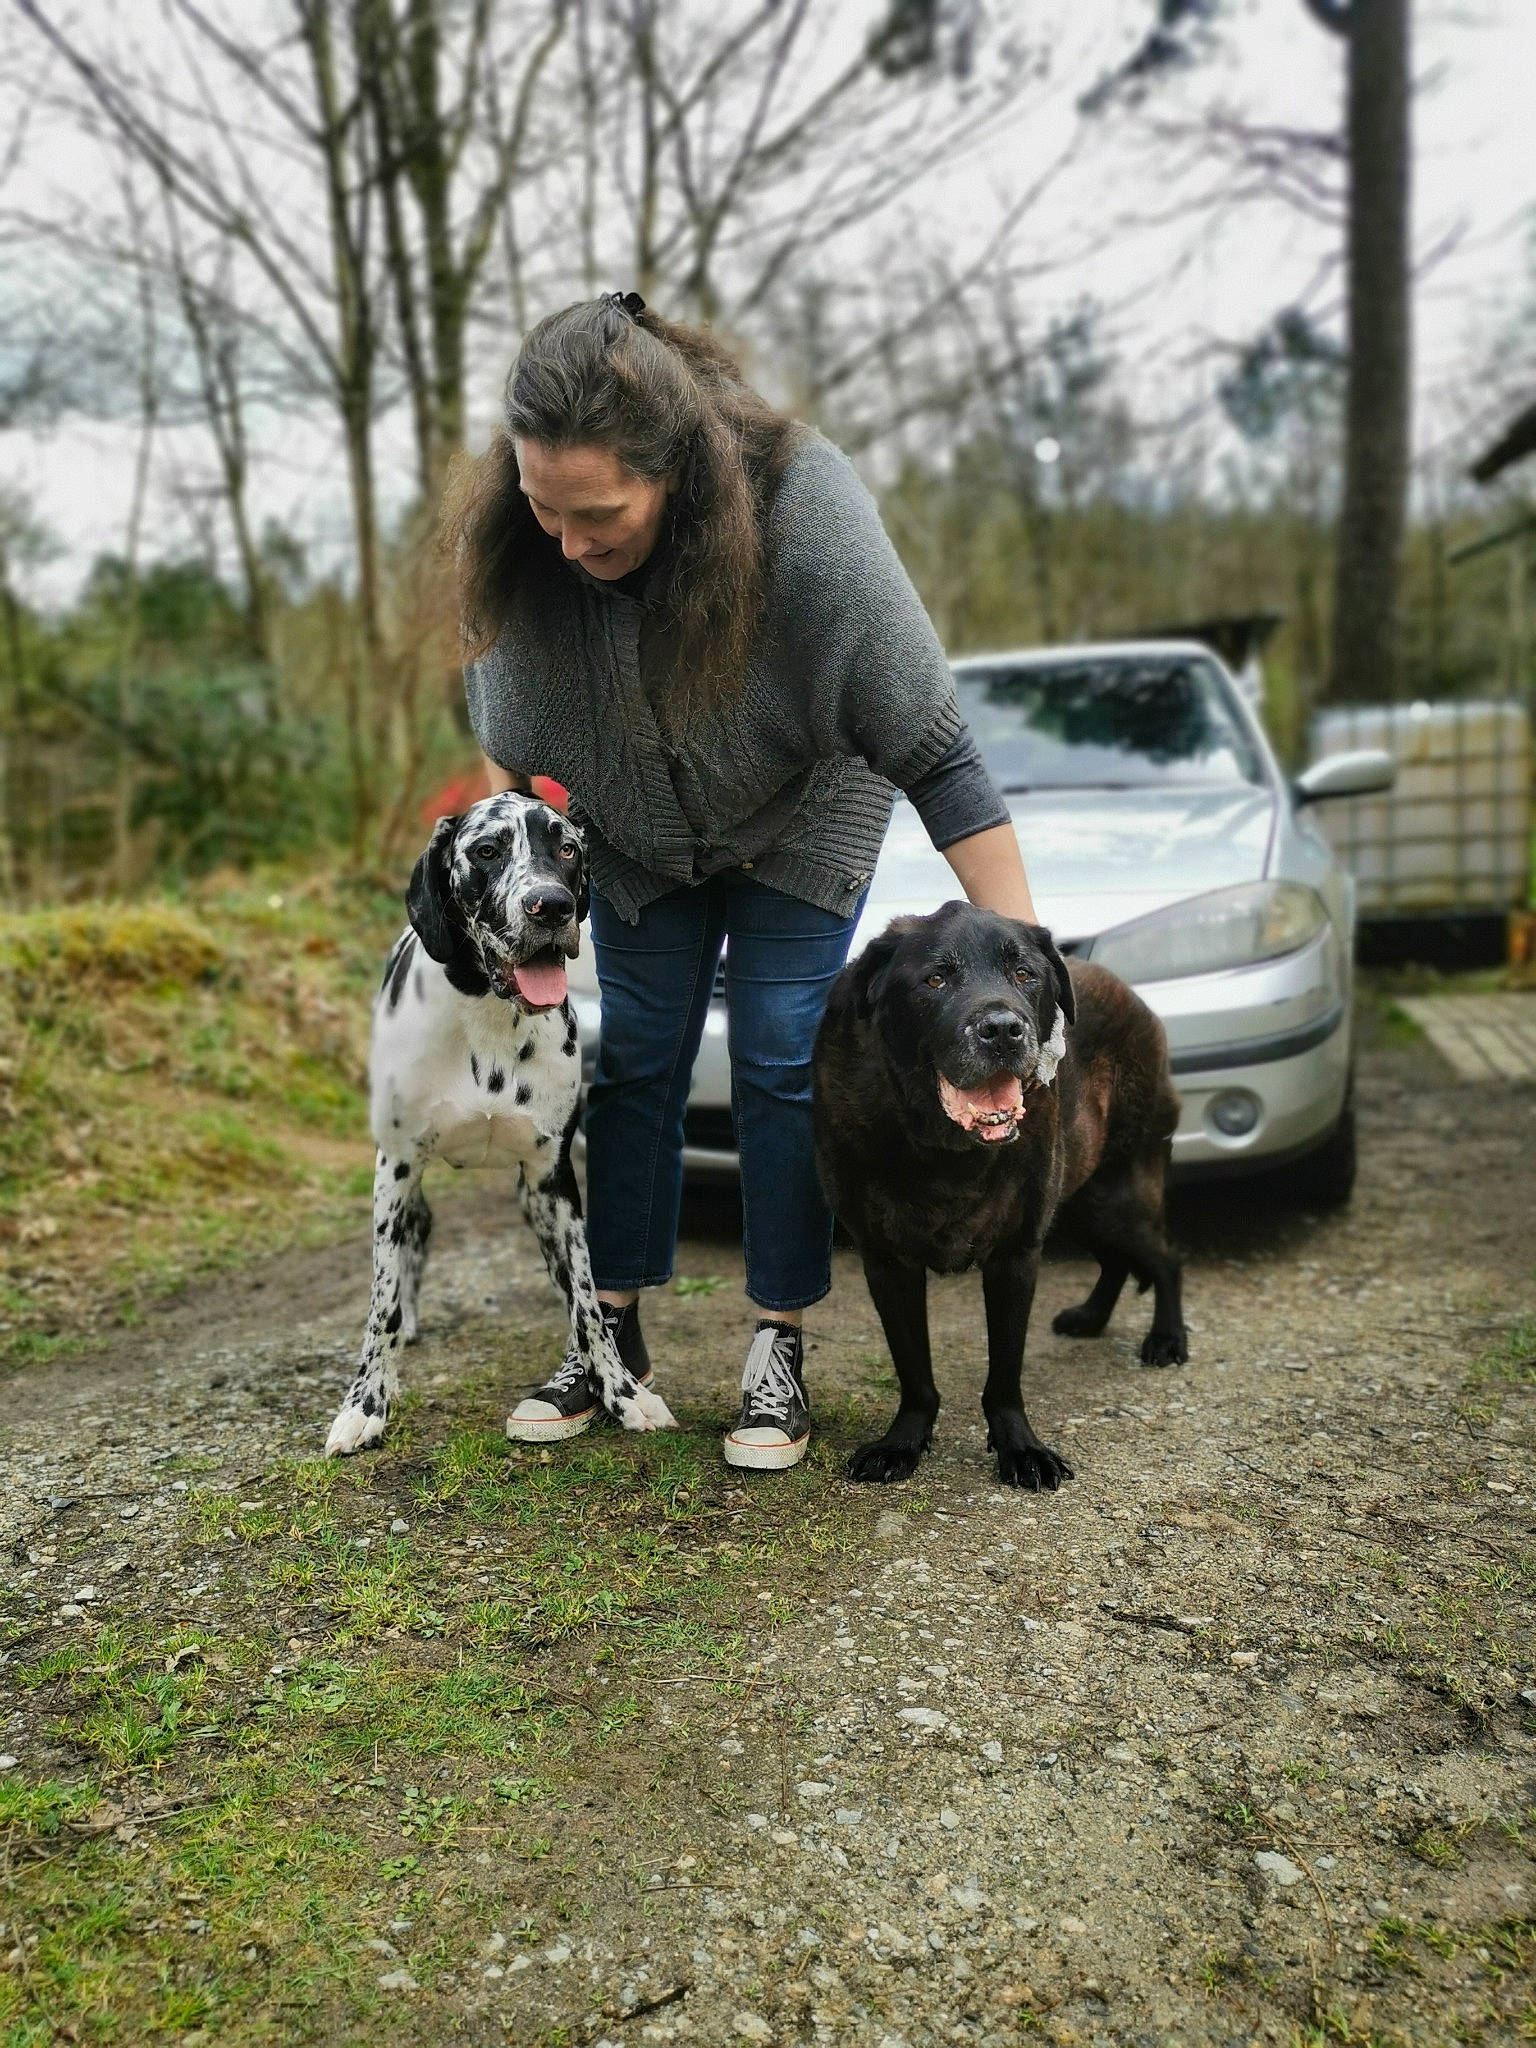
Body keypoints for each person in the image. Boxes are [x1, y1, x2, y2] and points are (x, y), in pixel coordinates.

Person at [442, 291, 1039, 1472]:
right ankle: (607, 1328)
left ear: (677, 478)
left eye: (599, 515)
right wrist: (500, 924)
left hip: (804, 813)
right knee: (639, 1060)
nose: (567, 542)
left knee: (777, 1055)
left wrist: (1028, 982)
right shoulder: (532, 556)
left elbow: (943, 758)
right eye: (544, 508)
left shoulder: (808, 521)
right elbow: (510, 764)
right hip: (635, 834)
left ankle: (779, 1342)